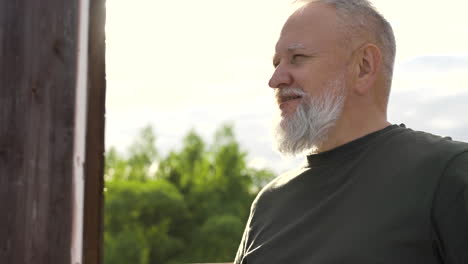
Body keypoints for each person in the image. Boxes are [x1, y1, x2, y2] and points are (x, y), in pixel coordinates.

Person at [234, 0, 468, 263]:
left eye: (297, 58)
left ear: (364, 66)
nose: (275, 79)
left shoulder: (447, 173)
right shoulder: (269, 202)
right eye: (276, 63)